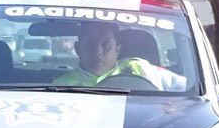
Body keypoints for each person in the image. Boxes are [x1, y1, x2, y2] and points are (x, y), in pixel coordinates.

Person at [54, 23, 184, 90]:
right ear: (78, 49)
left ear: (118, 49)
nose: (98, 51)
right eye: (90, 45)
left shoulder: (139, 68)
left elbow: (186, 87)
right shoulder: (61, 85)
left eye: (106, 45)